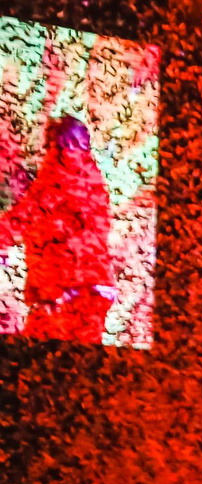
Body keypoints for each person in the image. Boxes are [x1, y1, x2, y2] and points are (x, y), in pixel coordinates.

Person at [0, 117, 114, 343]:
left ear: (57, 144)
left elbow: (28, 213)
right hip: (93, 288)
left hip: (63, 289)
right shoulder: (94, 181)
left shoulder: (57, 176)